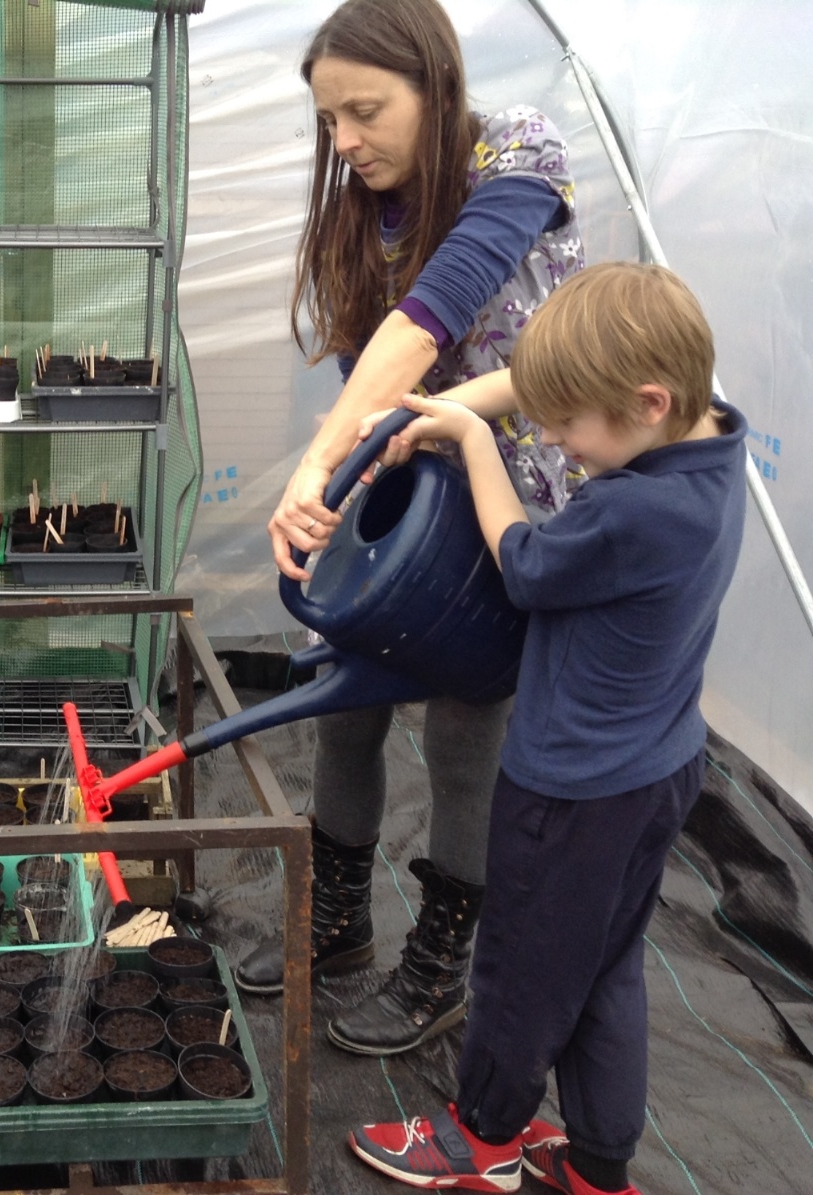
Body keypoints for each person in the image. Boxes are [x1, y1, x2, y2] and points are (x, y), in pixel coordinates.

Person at [347, 262, 745, 1194]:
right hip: (660, 770)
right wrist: (464, 408)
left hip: (570, 790)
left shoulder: (634, 510)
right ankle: (599, 1163)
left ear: (649, 402)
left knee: (520, 970)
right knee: (604, 966)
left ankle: (480, 1137)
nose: (557, 443)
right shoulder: (715, 446)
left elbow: (523, 565)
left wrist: (474, 441)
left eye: (567, 427)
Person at [238, 0, 586, 1060]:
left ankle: (439, 966)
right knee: (344, 704)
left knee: (464, 731)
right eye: (329, 121)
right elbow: (368, 368)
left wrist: (318, 465)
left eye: (365, 111)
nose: (345, 140)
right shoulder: (363, 210)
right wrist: (352, 474)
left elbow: (428, 320)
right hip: (409, 499)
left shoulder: (515, 153)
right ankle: (337, 922)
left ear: (434, 85)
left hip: (514, 498)